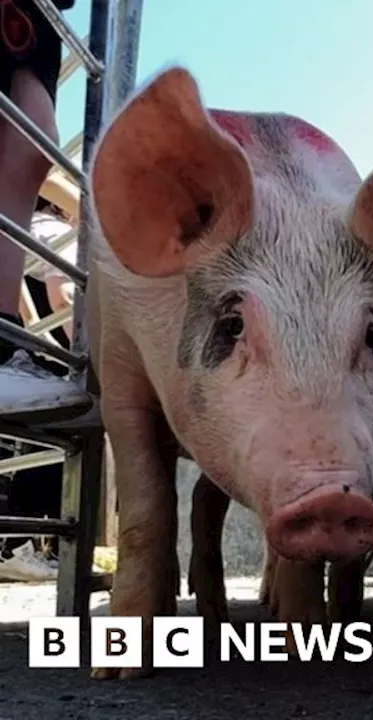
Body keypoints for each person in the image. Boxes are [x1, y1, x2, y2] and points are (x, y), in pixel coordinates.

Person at [0, 0, 89, 582]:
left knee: (31, 134)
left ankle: (6, 340)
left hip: (30, 25)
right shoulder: (57, 223)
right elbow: (61, 289)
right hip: (51, 247)